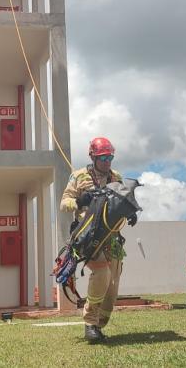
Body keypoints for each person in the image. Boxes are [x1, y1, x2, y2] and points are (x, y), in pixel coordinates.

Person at [60, 136, 137, 343]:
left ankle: (99, 324)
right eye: (103, 157)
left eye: (110, 157)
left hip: (111, 236)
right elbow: (64, 203)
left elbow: (123, 199)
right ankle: (90, 323)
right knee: (101, 273)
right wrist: (79, 200)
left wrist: (129, 212)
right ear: (93, 156)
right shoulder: (78, 176)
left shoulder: (116, 176)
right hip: (89, 237)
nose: (107, 161)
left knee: (112, 285)